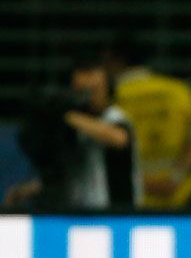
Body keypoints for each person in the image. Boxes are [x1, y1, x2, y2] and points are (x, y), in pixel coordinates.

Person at [10, 56, 138, 209]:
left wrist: (66, 114)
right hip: (83, 213)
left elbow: (119, 139)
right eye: (82, 90)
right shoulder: (74, 126)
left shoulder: (115, 117)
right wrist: (30, 189)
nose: (89, 96)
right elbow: (70, 175)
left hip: (119, 214)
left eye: (94, 89)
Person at [105, 34, 191, 208]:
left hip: (131, 202)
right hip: (183, 197)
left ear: (115, 60)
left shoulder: (111, 97)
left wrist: (140, 183)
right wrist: (174, 179)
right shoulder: (180, 90)